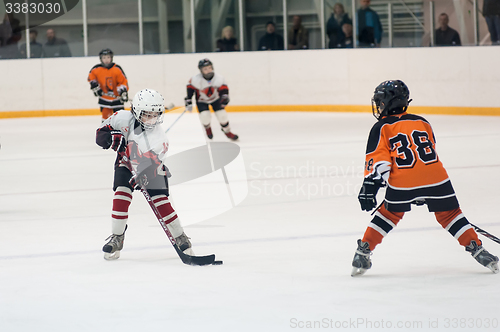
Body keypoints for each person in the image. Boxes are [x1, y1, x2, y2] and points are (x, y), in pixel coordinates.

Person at [351, 80, 499, 277]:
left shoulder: (381, 127)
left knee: (389, 214)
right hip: (437, 178)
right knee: (450, 215)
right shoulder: (422, 122)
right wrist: (424, 189)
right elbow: (429, 152)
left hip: (403, 180)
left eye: (380, 102)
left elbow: (379, 163)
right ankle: (479, 250)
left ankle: (363, 252)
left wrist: (369, 188)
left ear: (386, 103)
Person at [96, 88, 193, 260]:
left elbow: (152, 165)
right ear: (136, 111)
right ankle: (117, 237)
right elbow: (100, 134)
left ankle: (180, 237)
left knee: (161, 201)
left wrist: (143, 174)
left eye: (155, 114)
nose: (152, 119)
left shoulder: (160, 138)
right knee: (121, 193)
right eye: (147, 114)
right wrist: (112, 140)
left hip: (151, 169)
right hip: (125, 165)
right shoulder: (121, 118)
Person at [185, 58, 238, 141]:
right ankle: (208, 128)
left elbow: (224, 89)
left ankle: (227, 132)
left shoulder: (219, 78)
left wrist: (224, 96)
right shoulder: (195, 79)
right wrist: (188, 99)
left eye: (210, 68)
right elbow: (190, 89)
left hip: (216, 99)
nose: (208, 70)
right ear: (201, 70)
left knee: (222, 116)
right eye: (205, 69)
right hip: (202, 101)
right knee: (205, 117)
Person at [88, 49, 129, 121]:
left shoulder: (117, 69)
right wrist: (96, 88)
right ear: (101, 59)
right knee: (106, 120)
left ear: (111, 58)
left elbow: (123, 82)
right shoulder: (96, 69)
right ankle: (105, 132)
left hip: (117, 99)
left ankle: (120, 132)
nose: (106, 60)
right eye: (104, 58)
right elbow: (91, 79)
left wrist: (123, 92)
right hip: (104, 99)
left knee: (120, 119)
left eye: (108, 57)